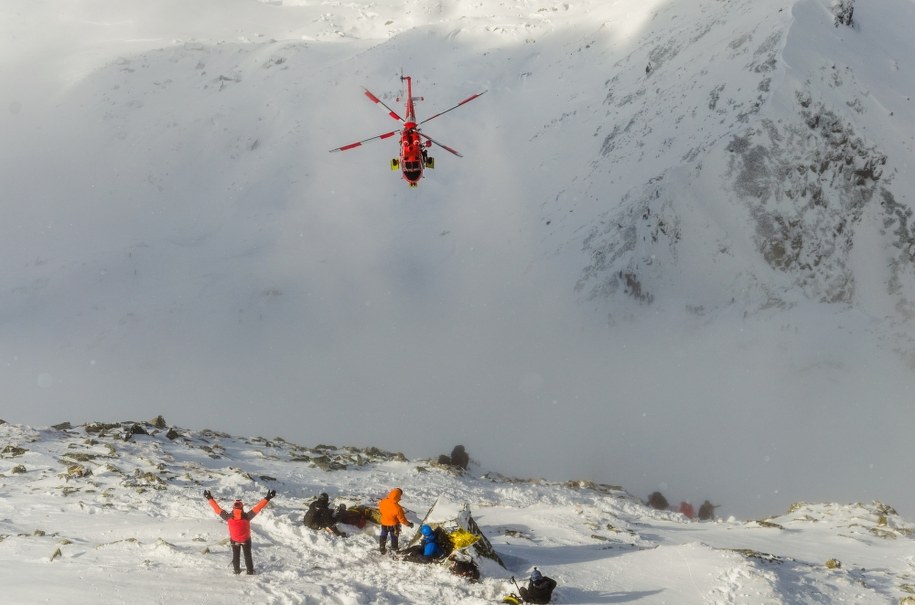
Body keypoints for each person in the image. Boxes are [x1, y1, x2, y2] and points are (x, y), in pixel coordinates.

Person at [204, 489, 276, 575]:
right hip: (246, 540)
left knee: (236, 556)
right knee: (247, 556)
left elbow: (217, 509)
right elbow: (258, 507)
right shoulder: (247, 516)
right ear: (242, 508)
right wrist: (268, 498)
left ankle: (236, 570)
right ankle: (250, 571)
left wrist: (209, 498)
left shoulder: (228, 517)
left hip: (234, 541)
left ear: (233, 509)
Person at [378, 487, 413, 554]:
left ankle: (382, 548)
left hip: (384, 523)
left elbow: (381, 510)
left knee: (383, 534)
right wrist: (409, 524)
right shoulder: (398, 508)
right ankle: (394, 549)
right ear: (398, 496)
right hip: (393, 525)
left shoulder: (382, 502)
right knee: (394, 536)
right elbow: (402, 520)